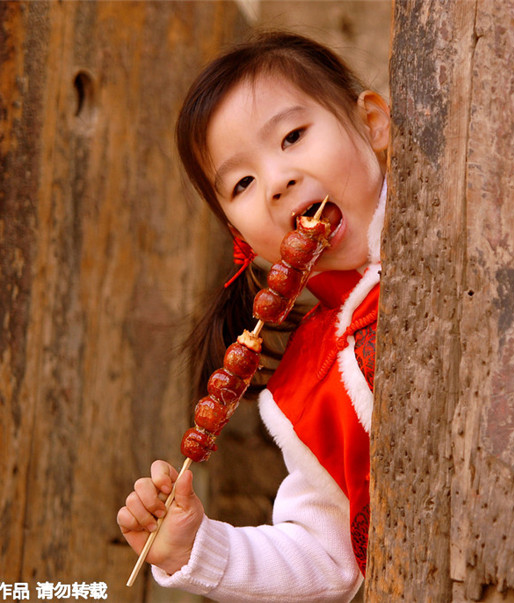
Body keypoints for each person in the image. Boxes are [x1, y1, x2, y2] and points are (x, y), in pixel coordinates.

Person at [116, 31, 390, 602]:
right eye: (242, 183)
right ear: (241, 239)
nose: (277, 182)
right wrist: (198, 548)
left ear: (372, 123)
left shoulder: (470, 214)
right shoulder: (310, 387)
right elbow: (329, 557)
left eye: (294, 136)